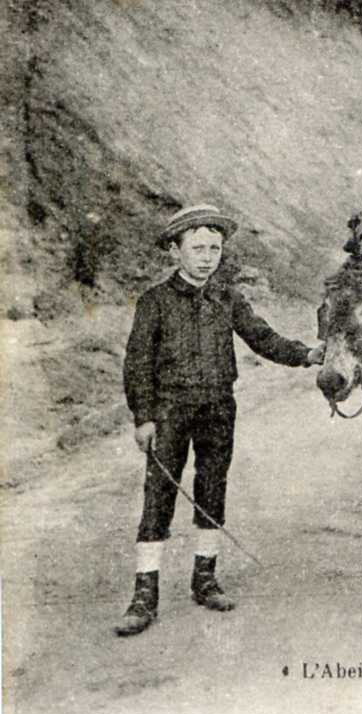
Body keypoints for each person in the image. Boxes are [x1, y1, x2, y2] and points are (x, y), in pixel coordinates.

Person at [115, 205, 324, 637]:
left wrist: (306, 354)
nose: (207, 256)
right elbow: (137, 364)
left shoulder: (228, 297)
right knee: (159, 497)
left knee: (212, 488)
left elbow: (262, 337)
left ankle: (205, 579)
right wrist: (144, 418)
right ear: (176, 251)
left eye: (214, 247)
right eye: (197, 248)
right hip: (169, 411)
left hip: (218, 407)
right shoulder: (154, 301)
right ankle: (144, 595)